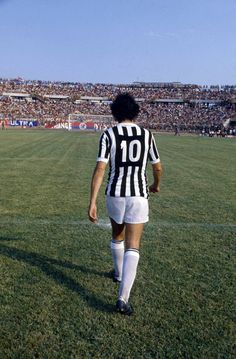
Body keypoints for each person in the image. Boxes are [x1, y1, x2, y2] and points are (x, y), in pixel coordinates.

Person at [88, 93, 162, 315]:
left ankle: (118, 273)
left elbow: (101, 167)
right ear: (135, 112)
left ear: (114, 113)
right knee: (133, 245)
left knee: (117, 236)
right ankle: (122, 298)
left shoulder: (108, 134)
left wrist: (92, 201)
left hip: (115, 194)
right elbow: (157, 166)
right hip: (139, 194)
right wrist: (156, 184)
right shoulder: (146, 134)